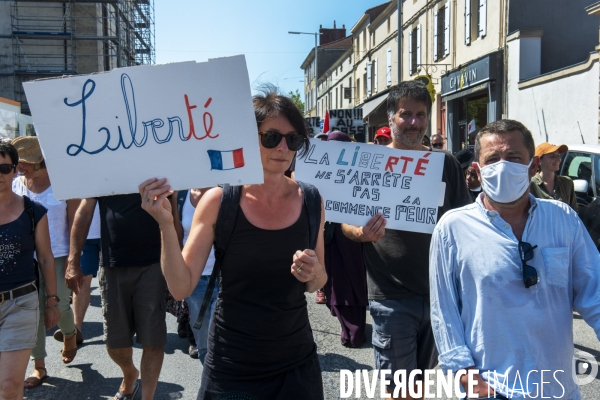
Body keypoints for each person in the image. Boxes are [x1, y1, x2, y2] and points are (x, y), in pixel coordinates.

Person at [139, 90, 327, 399]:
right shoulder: (219, 201)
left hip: (295, 361)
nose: (283, 148)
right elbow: (180, 287)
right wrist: (164, 225)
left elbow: (316, 284)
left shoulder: (310, 199)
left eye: (293, 140)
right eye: (271, 137)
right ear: (248, 137)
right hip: (233, 363)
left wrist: (314, 272)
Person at [429, 119, 600, 399]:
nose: (503, 166)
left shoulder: (563, 219)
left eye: (513, 157)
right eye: (492, 159)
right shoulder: (453, 228)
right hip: (491, 389)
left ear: (532, 166)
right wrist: (465, 374)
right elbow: (443, 311)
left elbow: (595, 290)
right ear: (477, 170)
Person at [341, 81, 470, 398]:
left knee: (422, 384)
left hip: (440, 296)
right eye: (406, 114)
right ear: (390, 118)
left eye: (421, 115)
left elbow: (465, 222)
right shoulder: (369, 161)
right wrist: (361, 233)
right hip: (391, 296)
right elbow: (345, 222)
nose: (414, 122)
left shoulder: (446, 164)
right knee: (400, 389)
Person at [65, 193, 166, 400]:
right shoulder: (102, 165)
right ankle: (129, 374)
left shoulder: (156, 163)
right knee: (115, 343)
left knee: (153, 341)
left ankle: (148, 396)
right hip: (112, 266)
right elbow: (83, 213)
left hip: (154, 264)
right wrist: (73, 261)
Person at [11, 136, 80, 388]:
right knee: (34, 313)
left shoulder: (63, 184)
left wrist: (75, 258)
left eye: (26, 163)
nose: (20, 167)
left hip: (59, 254)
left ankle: (70, 334)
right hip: (26, 258)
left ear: (41, 162)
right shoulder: (16, 184)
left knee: (59, 304)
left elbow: (75, 224)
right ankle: (39, 366)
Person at [0, 141, 59, 399]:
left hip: (20, 304)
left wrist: (53, 303)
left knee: (9, 384)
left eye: (4, 168)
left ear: (15, 170)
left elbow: (46, 259)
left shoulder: (34, 211)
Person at [324, 131, 368, 348]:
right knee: (337, 280)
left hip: (354, 235)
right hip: (332, 236)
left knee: (353, 278)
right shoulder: (322, 170)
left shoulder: (360, 169)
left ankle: (354, 331)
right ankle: (348, 327)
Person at [171, 187, 218, 362]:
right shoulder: (181, 196)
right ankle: (209, 379)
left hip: (222, 277)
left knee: (219, 336)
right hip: (194, 279)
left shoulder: (226, 194)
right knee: (202, 340)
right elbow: (177, 235)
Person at [54, 205, 101, 346]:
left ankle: (123, 328)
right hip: (85, 233)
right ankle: (76, 329)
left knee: (116, 279)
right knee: (83, 279)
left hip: (113, 230)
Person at [530, 142, 578, 211]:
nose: (558, 159)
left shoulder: (567, 183)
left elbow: (574, 213)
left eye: (558, 155)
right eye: (552, 156)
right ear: (539, 160)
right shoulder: (530, 185)